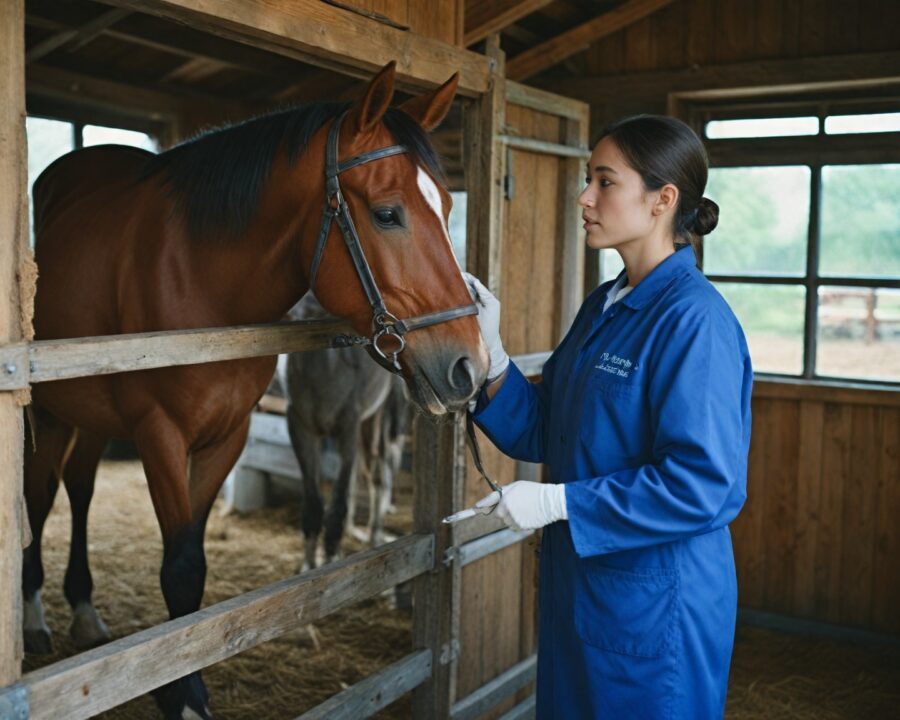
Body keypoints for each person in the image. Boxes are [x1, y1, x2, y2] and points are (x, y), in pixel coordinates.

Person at [464, 114, 753, 719]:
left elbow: (702, 484)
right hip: (586, 591)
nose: (584, 198)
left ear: (662, 200)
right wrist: (491, 361)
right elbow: (550, 426)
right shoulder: (608, 302)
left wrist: (559, 503)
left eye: (605, 181)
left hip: (655, 608)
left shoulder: (694, 321)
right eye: (587, 180)